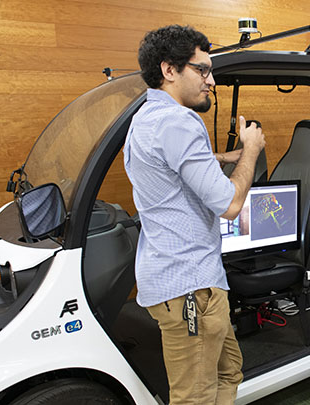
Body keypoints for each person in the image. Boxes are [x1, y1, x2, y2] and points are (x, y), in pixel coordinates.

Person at [123, 25, 265, 404]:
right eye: (202, 70)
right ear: (169, 70)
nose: (211, 81)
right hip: (191, 288)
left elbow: (168, 162)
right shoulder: (180, 122)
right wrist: (250, 149)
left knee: (229, 369)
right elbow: (230, 205)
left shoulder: (146, 115)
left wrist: (220, 158)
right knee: (195, 397)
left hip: (175, 279)